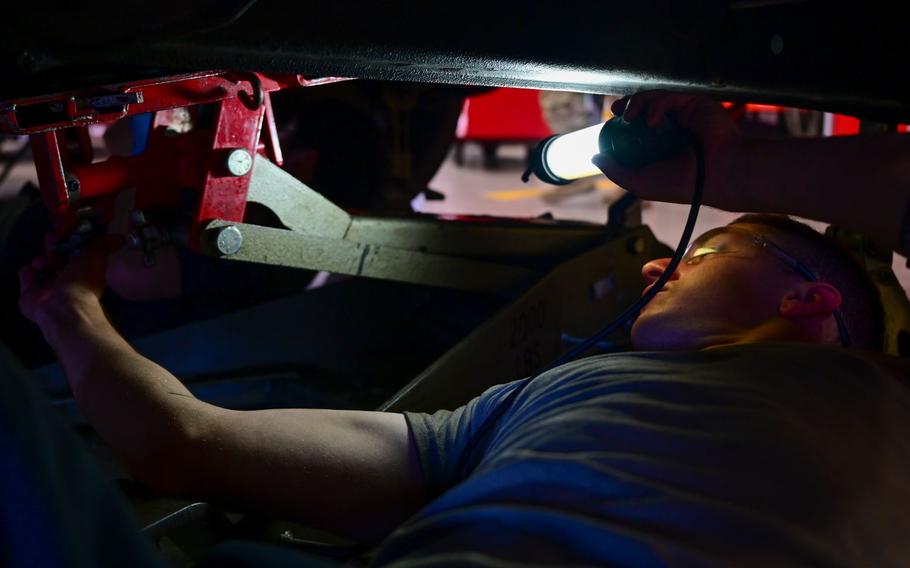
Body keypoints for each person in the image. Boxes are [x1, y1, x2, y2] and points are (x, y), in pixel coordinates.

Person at [5, 91, 910, 566]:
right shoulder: (521, 409)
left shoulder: (887, 416)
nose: (652, 265)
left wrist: (741, 168)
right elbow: (184, 442)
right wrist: (70, 313)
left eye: (706, 254)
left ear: (809, 300)